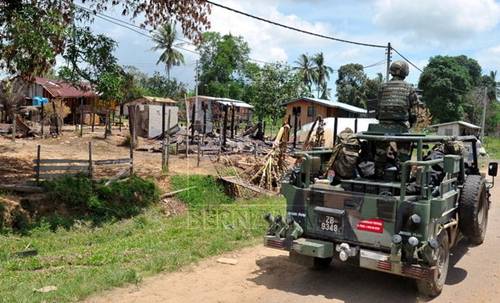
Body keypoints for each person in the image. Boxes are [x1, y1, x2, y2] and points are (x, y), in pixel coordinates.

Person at [377, 60, 420, 132]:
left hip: (382, 125)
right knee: (405, 142)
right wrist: (412, 122)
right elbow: (414, 112)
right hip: (402, 125)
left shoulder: (382, 87)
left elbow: (378, 108)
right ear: (405, 72)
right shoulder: (409, 88)